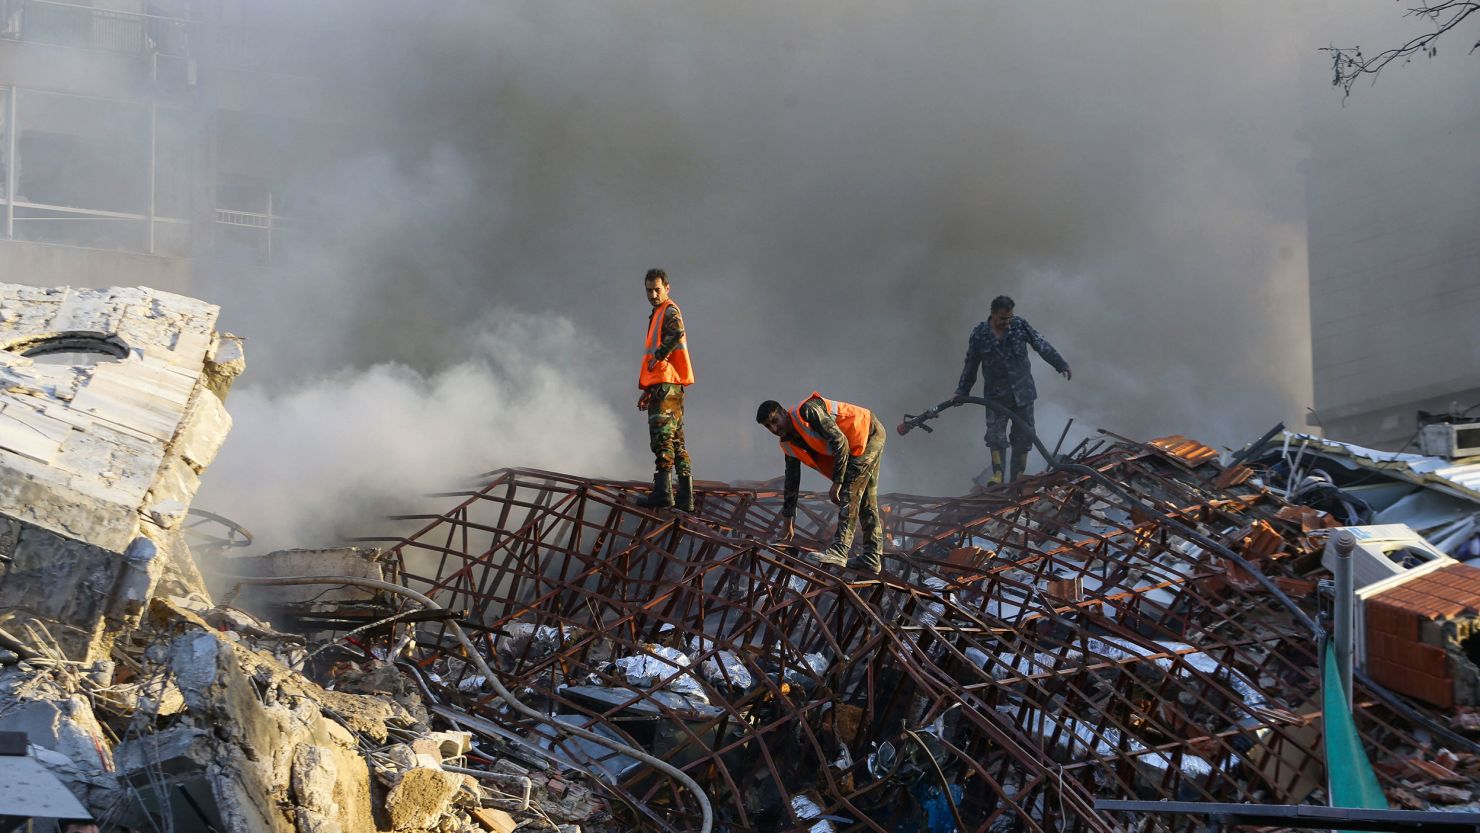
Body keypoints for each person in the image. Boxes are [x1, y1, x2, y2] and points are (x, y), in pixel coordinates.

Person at [756, 393, 886, 573]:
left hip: (866, 432)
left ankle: (840, 550)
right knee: (865, 501)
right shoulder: (787, 444)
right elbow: (791, 480)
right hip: (856, 445)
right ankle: (872, 558)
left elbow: (840, 442)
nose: (774, 428)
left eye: (775, 421)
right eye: (768, 426)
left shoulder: (807, 411)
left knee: (850, 491)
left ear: (784, 413)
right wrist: (788, 519)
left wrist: (838, 483)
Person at [953, 295, 1070, 484]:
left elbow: (1041, 344)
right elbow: (971, 365)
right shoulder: (979, 335)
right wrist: (961, 392)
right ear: (992, 314)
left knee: (1024, 437)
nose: (1007, 323)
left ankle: (1017, 477)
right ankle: (998, 475)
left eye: (1009, 317)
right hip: (996, 397)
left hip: (1023, 393)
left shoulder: (1019, 326)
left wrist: (1061, 364)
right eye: (1002, 319)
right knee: (995, 437)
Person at [636, 268, 695, 510]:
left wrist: (658, 356)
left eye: (657, 289)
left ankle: (663, 494)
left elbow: (676, 333)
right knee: (677, 441)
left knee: (662, 441)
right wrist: (648, 391)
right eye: (649, 290)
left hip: (666, 386)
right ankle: (686, 498)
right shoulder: (659, 312)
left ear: (666, 288)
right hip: (668, 386)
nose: (653, 294)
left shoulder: (669, 310)